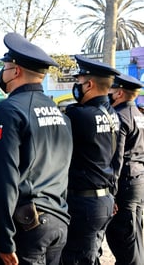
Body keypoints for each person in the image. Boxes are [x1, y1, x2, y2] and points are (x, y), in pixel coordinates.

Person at [0, 32, 73, 264]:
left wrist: (3, 238)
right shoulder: (60, 114)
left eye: (5, 66)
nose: (3, 72)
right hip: (57, 220)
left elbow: (3, 178)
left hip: (27, 227)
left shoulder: (8, 111)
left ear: (16, 71)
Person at [61, 55, 121, 264]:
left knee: (75, 258)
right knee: (90, 255)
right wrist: (112, 194)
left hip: (83, 202)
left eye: (78, 82)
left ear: (90, 84)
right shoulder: (114, 115)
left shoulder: (79, 116)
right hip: (103, 200)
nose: (76, 86)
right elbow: (117, 159)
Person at [105, 73, 144, 264]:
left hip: (124, 184)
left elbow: (116, 160)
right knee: (135, 237)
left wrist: (111, 194)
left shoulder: (119, 117)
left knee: (123, 239)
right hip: (138, 181)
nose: (108, 94)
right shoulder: (139, 115)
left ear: (119, 93)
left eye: (110, 90)